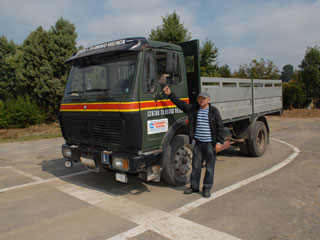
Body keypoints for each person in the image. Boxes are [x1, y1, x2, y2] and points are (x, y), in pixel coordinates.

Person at [162, 86, 224, 198]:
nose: (201, 100)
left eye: (204, 98)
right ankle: (194, 187)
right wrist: (169, 94)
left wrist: (219, 142)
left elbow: (220, 127)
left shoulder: (214, 111)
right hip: (198, 144)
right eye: (200, 98)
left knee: (209, 168)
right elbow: (180, 104)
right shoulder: (194, 109)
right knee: (196, 167)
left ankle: (206, 189)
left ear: (208, 100)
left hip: (210, 144)